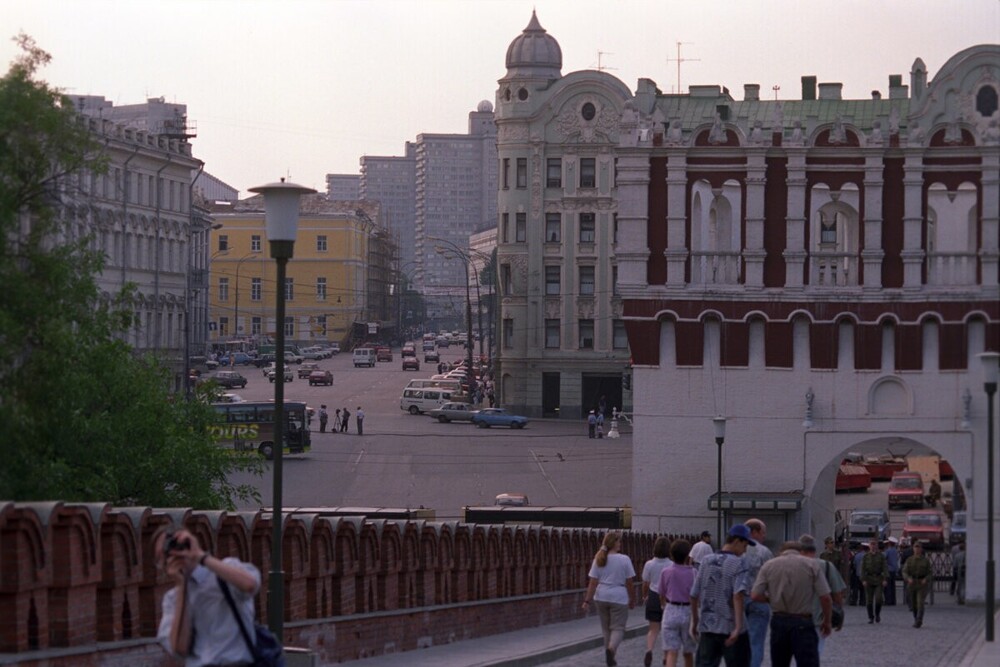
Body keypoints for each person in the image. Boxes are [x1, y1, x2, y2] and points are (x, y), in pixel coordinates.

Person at [156, 528, 262, 666]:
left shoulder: (225, 573)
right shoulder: (172, 599)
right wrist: (182, 587)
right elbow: (180, 649)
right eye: (166, 554)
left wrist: (201, 556)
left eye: (178, 545)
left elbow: (250, 585)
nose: (175, 554)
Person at [751, 540, 831, 667]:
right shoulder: (811, 565)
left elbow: (755, 595)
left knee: (779, 663)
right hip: (803, 622)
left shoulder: (769, 565)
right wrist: (827, 621)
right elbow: (825, 597)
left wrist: (770, 599)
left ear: (781, 551)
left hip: (779, 620)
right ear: (801, 551)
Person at [689, 524, 754, 667]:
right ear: (737, 541)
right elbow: (738, 596)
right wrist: (737, 627)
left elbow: (693, 594)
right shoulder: (740, 564)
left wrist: (695, 621)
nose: (745, 550)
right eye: (745, 545)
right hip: (730, 627)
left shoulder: (706, 561)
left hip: (708, 626)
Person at [582, 531, 636, 667]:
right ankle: (611, 651)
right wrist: (632, 598)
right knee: (618, 628)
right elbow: (629, 582)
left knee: (606, 629)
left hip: (601, 596)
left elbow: (593, 582)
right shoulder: (624, 559)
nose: (620, 543)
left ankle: (610, 660)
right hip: (619, 596)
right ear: (614, 543)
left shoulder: (599, 558)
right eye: (619, 541)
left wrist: (586, 600)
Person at [799, 534, 844, 657]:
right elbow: (836, 593)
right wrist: (838, 616)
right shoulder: (826, 565)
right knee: (814, 655)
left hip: (792, 619)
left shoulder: (790, 565)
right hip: (818, 619)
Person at [658, 539, 696, 667]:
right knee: (688, 652)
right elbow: (696, 595)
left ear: (671, 554)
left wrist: (664, 606)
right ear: (687, 555)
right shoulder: (693, 573)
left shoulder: (666, 572)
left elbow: (661, 593)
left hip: (671, 608)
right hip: (687, 610)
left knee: (671, 651)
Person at [742, 519, 773, 667]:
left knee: (739, 643)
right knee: (756, 642)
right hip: (759, 600)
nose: (764, 536)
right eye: (762, 533)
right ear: (754, 532)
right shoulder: (764, 552)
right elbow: (772, 578)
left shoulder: (736, 550)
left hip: (738, 601)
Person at [641, 536, 672, 667]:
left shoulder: (649, 564)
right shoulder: (671, 564)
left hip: (653, 595)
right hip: (668, 598)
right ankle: (666, 657)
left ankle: (649, 650)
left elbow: (645, 583)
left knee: (653, 629)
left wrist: (644, 596)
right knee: (666, 629)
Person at [902, 541, 932, 627]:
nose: (917, 549)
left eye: (919, 547)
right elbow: (904, 571)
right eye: (915, 547)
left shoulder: (925, 561)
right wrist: (908, 578)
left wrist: (926, 579)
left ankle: (919, 619)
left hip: (921, 583)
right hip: (912, 583)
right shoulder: (909, 560)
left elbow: (930, 573)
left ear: (921, 549)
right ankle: (916, 618)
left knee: (920, 602)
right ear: (913, 549)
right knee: (914, 603)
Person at [861, 538, 888, 623]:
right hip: (869, 579)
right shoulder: (866, 556)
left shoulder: (881, 556)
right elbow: (862, 569)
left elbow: (885, 568)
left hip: (878, 579)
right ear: (869, 546)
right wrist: (863, 580)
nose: (873, 546)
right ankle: (870, 617)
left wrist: (885, 579)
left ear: (877, 546)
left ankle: (877, 614)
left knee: (878, 598)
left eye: (874, 544)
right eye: (871, 544)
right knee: (869, 600)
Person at [884, 537, 900, 605]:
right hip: (894, 570)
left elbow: (883, 557)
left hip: (888, 570)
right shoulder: (895, 550)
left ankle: (888, 601)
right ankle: (893, 600)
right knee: (893, 586)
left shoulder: (888, 551)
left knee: (888, 587)